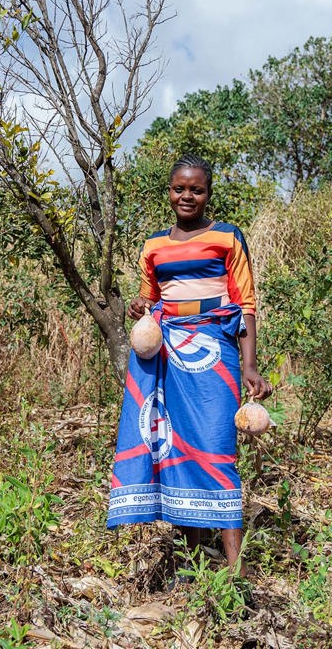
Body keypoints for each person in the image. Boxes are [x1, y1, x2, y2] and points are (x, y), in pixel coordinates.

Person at [107, 154, 272, 577]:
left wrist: (250, 367)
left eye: (196, 189)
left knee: (217, 450)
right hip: (169, 358)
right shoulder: (153, 246)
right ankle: (189, 567)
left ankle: (236, 575)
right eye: (180, 188)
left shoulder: (227, 237)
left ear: (207, 193)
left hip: (215, 352)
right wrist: (139, 306)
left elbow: (245, 303)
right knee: (179, 453)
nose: (187, 196)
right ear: (169, 192)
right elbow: (146, 299)